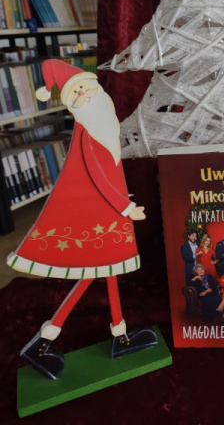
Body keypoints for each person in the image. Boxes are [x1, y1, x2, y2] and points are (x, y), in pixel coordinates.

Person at [6, 60, 157, 380]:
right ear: (70, 104)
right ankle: (44, 341)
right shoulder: (89, 134)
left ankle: (118, 337)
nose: (84, 94)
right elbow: (99, 176)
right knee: (94, 273)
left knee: (109, 272)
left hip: (105, 220)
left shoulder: (104, 128)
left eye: (87, 87)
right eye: (75, 92)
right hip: (98, 220)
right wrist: (126, 207)